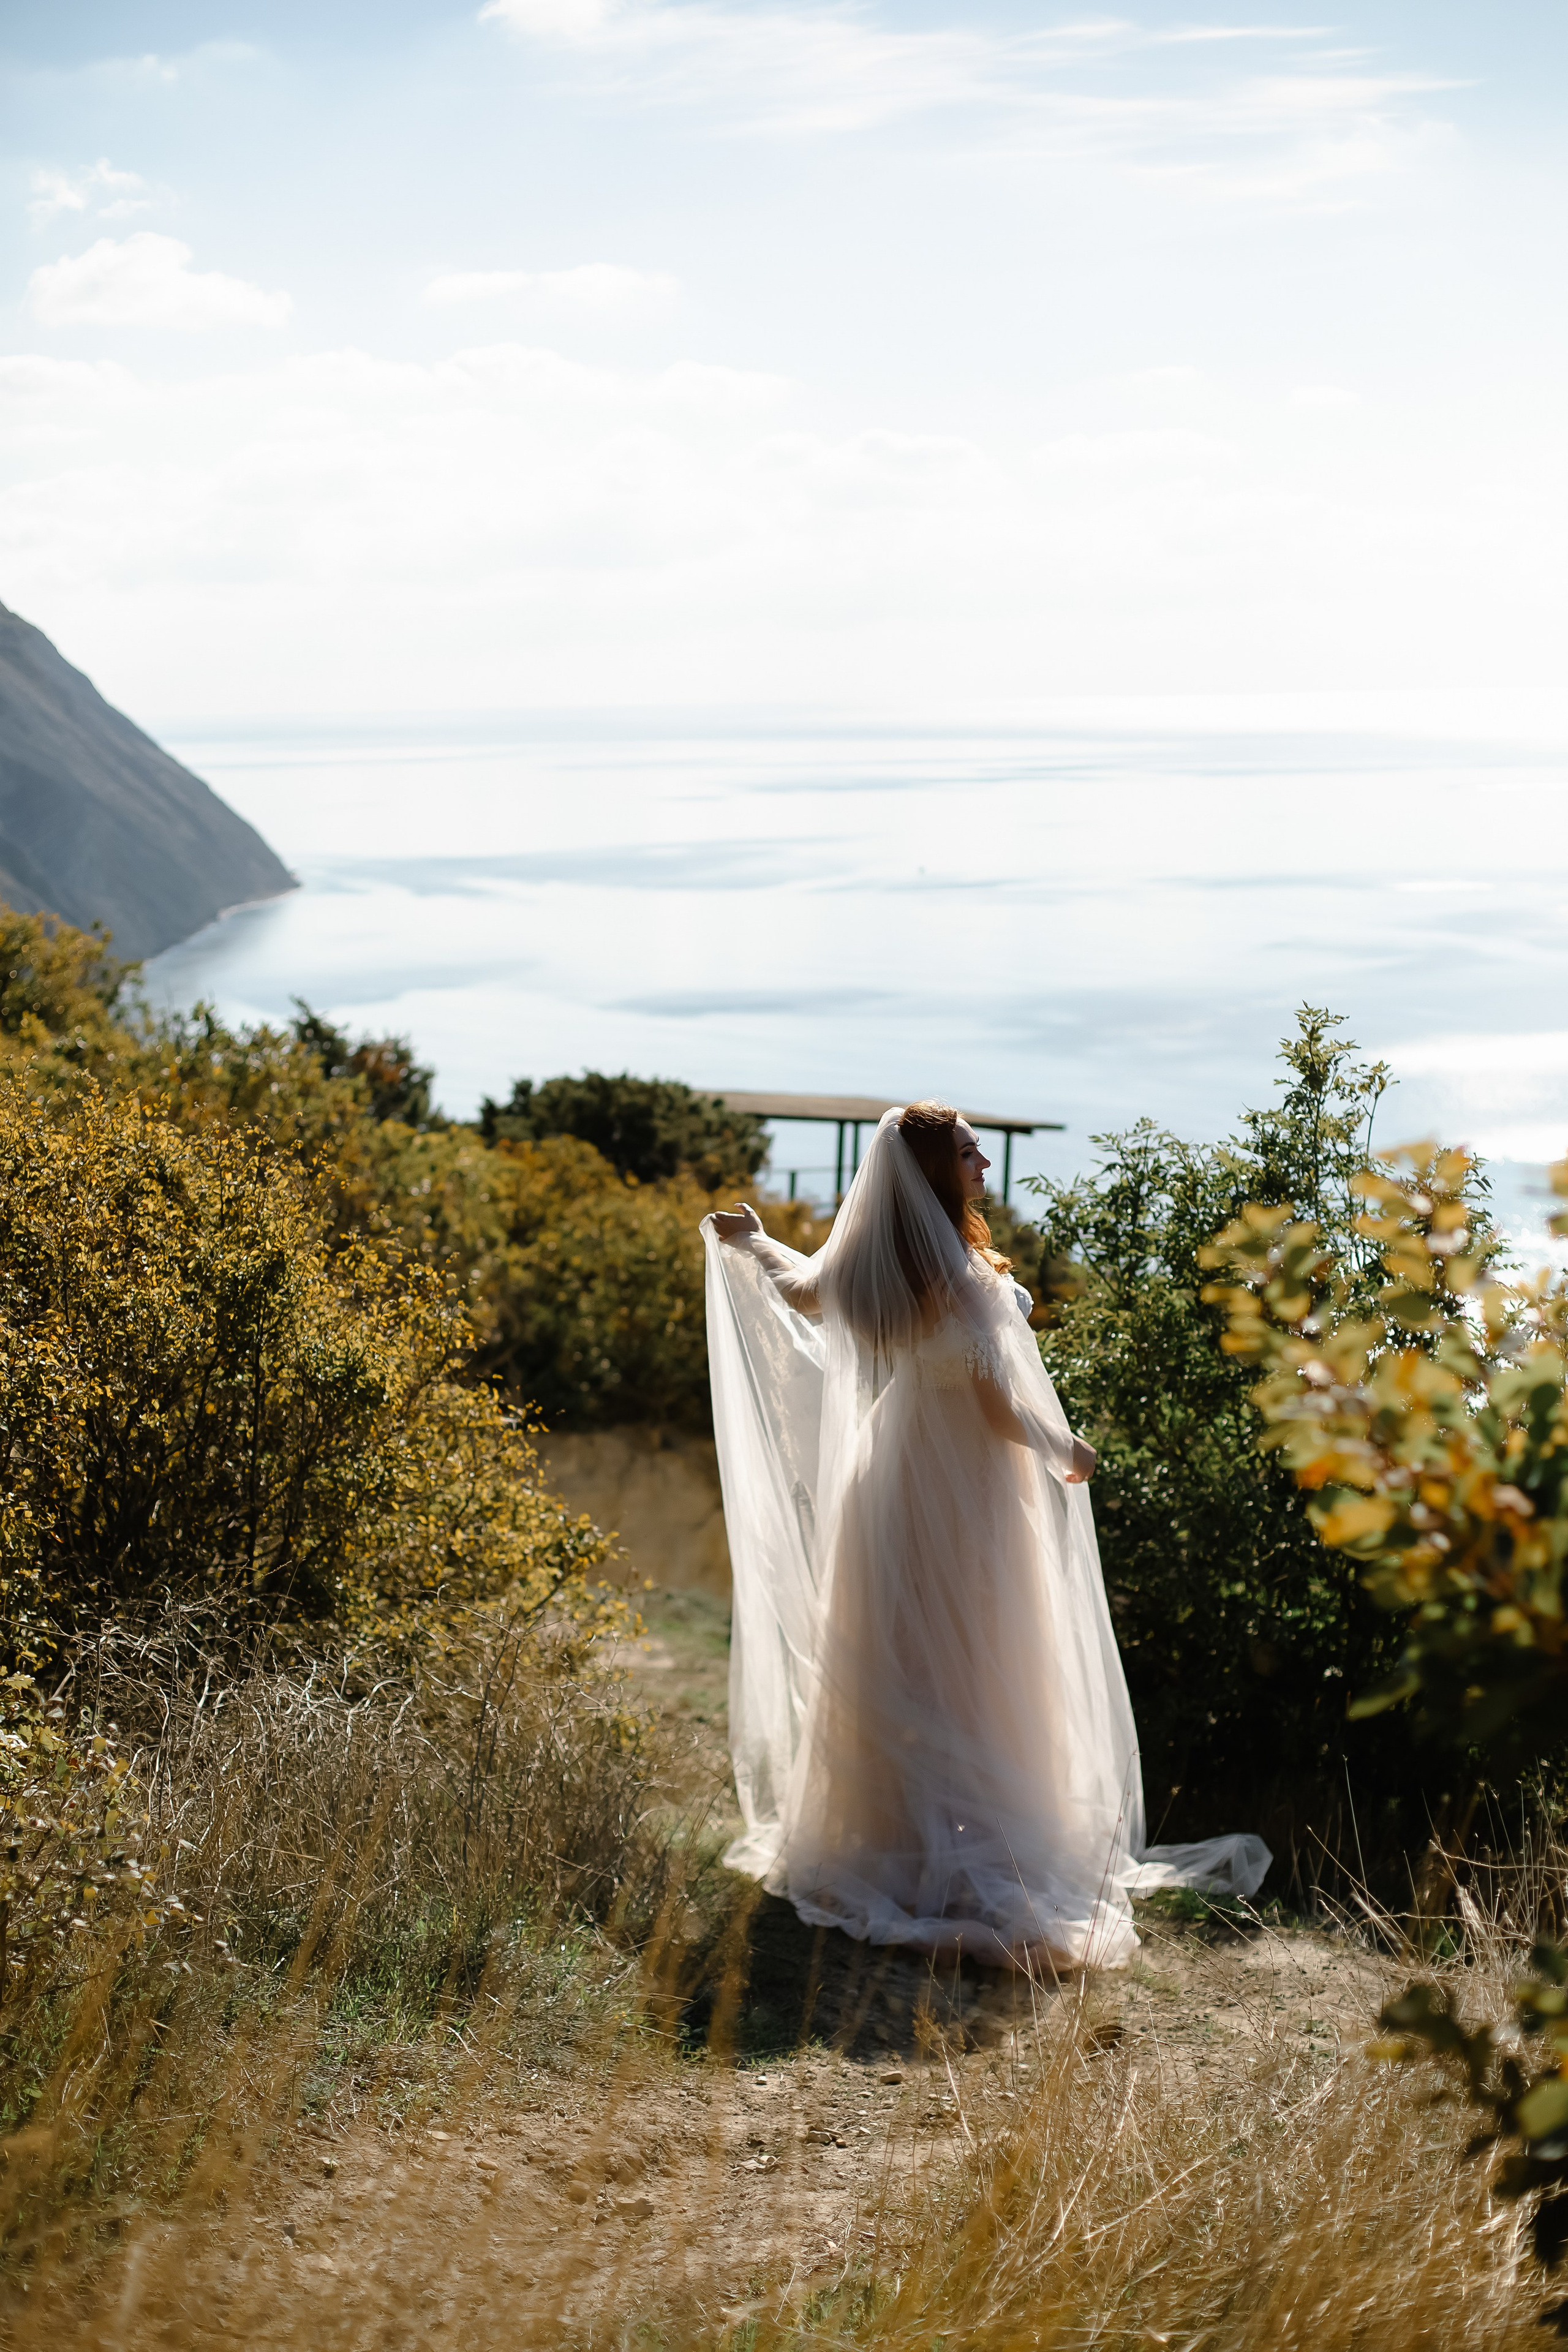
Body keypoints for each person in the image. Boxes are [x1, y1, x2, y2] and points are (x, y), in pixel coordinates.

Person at [703, 1101, 1269, 1970]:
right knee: (980, 1658)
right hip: (966, 1486)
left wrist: (754, 1241)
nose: (985, 1166)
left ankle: (895, 1838)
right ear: (936, 1171)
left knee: (903, 1657)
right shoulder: (955, 1276)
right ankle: (977, 1847)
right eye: (970, 1154)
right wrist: (1066, 1447)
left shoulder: (874, 1260)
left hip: (891, 1478)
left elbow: (803, 1293)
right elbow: (996, 1409)